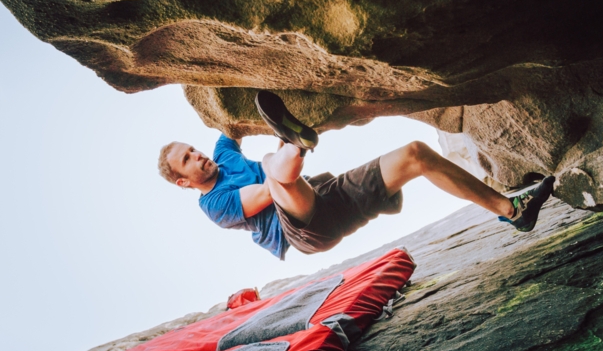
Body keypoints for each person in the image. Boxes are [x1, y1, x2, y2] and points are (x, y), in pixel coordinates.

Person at [157, 91, 555, 260]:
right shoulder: (213, 205)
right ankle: (295, 143)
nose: (198, 155)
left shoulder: (223, 155)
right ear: (182, 181)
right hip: (303, 230)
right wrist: (280, 152)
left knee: (415, 154)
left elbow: (230, 120)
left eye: (193, 148)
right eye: (187, 160)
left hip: (326, 194)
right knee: (277, 178)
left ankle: (512, 210)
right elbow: (264, 193)